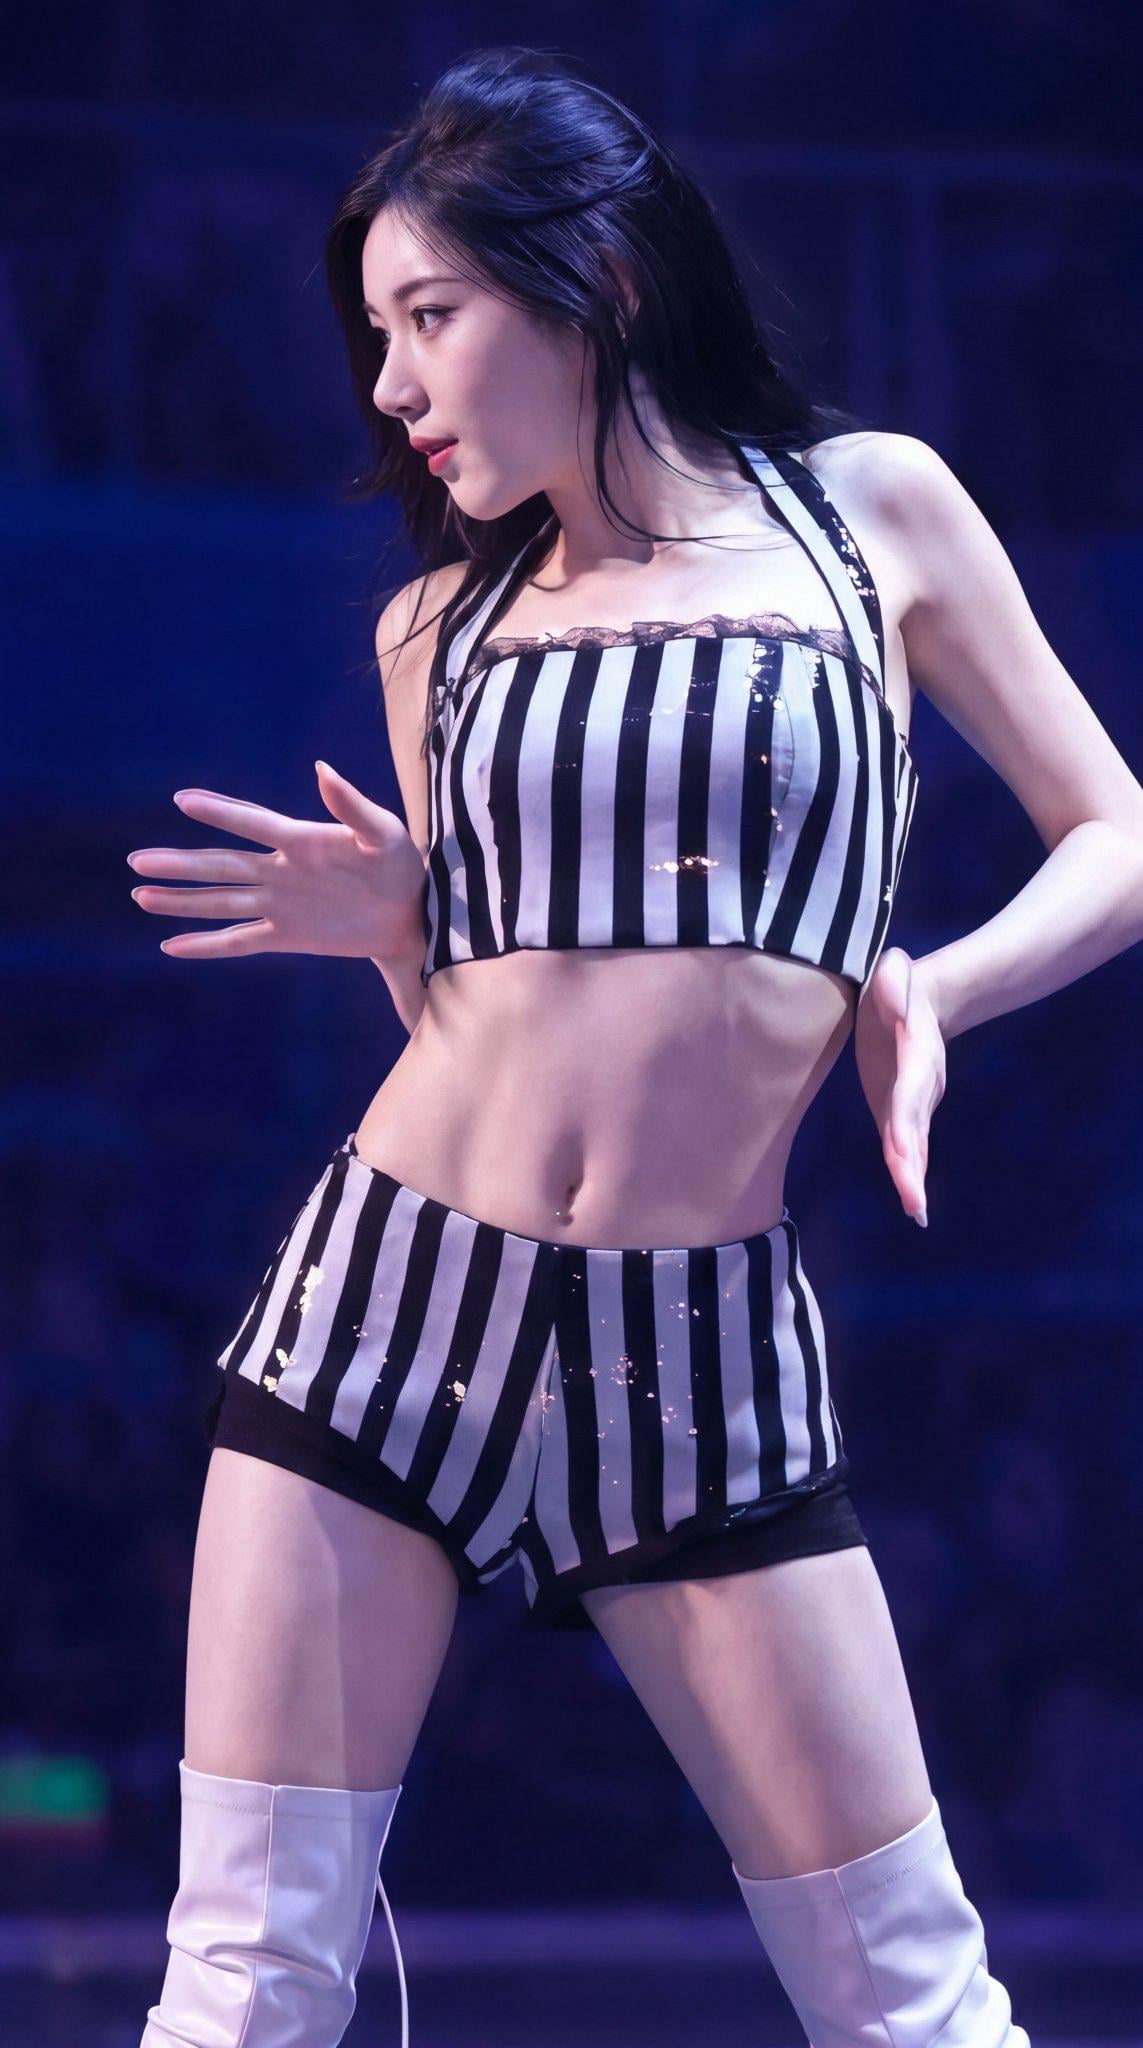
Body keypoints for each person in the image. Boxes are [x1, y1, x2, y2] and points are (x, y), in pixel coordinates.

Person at [129, 47, 1143, 2048]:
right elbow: (475, 1030)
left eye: (430, 317)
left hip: (698, 1359)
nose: (392, 385)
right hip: (386, 1312)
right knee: (243, 1985)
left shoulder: (871, 516)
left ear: (589, 275)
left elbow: (1116, 830)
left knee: (917, 2001)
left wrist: (933, 985)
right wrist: (405, 924)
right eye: (376, 338)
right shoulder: (435, 630)